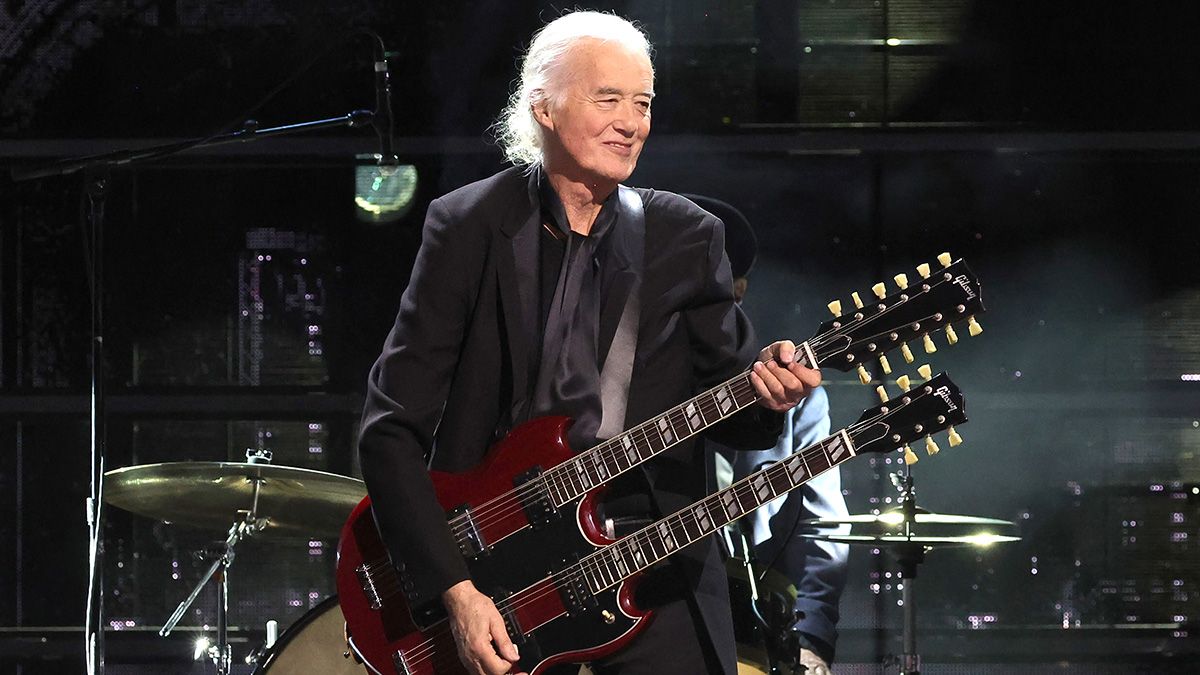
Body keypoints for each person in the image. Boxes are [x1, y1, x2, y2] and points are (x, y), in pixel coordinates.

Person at [356, 11, 821, 675]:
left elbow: (740, 416)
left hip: (653, 574)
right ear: (543, 106)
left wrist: (771, 394)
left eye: (644, 103)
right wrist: (454, 589)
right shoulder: (465, 227)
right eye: (609, 99)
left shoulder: (688, 235)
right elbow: (389, 430)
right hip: (502, 590)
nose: (632, 123)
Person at [686, 195, 849, 675]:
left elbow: (821, 526)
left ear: (739, 290)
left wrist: (813, 637)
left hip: (747, 619)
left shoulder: (792, 392)